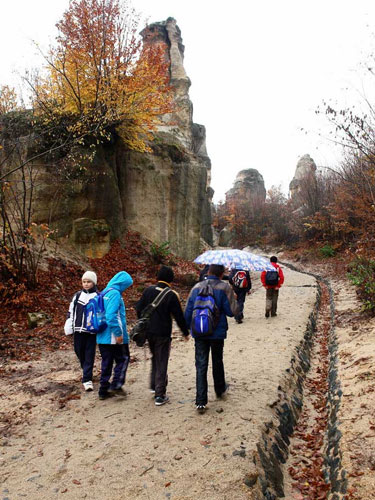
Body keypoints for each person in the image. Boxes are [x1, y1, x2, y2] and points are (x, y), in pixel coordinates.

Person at [184, 264, 238, 412]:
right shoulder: (224, 287)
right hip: (217, 332)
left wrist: (189, 329)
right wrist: (234, 298)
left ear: (208, 272)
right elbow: (232, 312)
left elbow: (188, 311)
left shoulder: (196, 287)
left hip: (200, 332)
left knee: (201, 364)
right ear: (222, 274)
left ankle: (200, 401)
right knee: (217, 360)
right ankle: (220, 390)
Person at [135, 265, 189, 406]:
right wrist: (185, 332)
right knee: (162, 360)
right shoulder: (171, 295)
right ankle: (160, 395)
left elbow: (139, 308)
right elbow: (179, 316)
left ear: (157, 277)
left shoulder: (148, 291)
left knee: (155, 358)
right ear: (171, 280)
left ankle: (154, 385)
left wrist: (144, 323)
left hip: (149, 332)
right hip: (163, 333)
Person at [96, 270, 133, 400]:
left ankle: (103, 390)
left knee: (107, 362)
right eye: (127, 286)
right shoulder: (115, 294)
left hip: (101, 335)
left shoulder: (103, 292)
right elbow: (111, 316)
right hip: (113, 336)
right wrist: (118, 334)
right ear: (123, 284)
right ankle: (116, 384)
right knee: (123, 359)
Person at [64, 270, 98, 392]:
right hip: (78, 330)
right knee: (78, 351)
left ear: (94, 283)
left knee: (89, 353)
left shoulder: (97, 296)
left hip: (91, 331)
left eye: (89, 281)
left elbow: (100, 313)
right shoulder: (77, 296)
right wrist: (69, 326)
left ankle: (87, 379)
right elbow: (71, 311)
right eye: (84, 281)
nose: (86, 284)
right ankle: (86, 370)